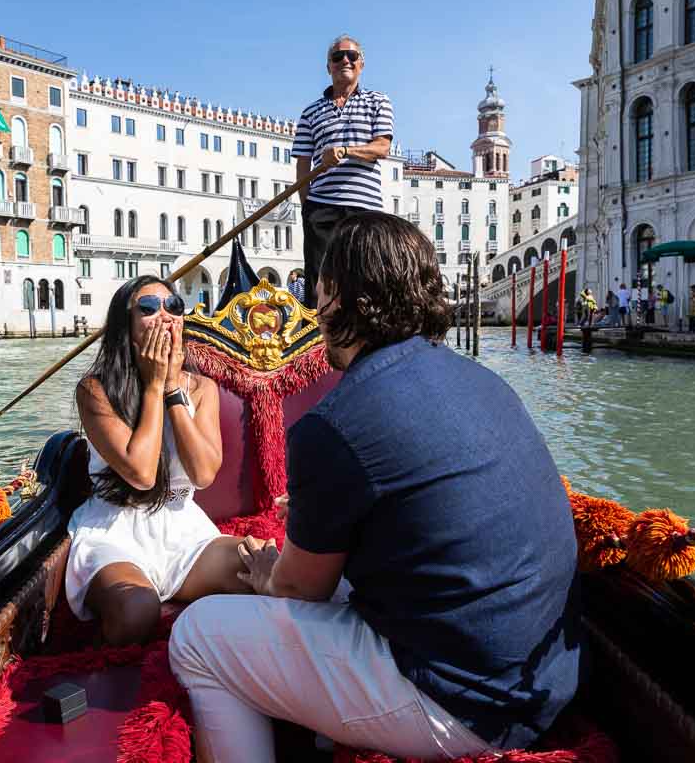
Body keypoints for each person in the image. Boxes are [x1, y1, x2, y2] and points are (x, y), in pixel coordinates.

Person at [169, 212, 581, 762]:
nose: (314, 311)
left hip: (462, 704)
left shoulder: (333, 422)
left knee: (197, 635)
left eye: (319, 293)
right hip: (545, 679)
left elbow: (298, 590)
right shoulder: (486, 381)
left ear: (339, 298)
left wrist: (269, 573)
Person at [67, 276, 251, 645]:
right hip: (115, 530)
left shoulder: (201, 389)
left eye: (174, 306)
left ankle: (184, 595)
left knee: (262, 565)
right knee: (135, 612)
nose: (166, 316)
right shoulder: (95, 391)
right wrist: (152, 385)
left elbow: (202, 473)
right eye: (149, 308)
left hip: (184, 530)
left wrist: (171, 390)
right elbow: (141, 473)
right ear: (127, 326)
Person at [292, 35, 395, 308]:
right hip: (321, 208)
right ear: (329, 67)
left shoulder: (378, 102)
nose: (344, 61)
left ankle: (367, 342)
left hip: (365, 207)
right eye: (337, 57)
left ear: (361, 64)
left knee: (365, 276)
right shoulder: (310, 113)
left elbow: (382, 147)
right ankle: (318, 345)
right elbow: (303, 164)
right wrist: (307, 208)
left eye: (351, 56)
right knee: (319, 280)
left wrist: (346, 151)